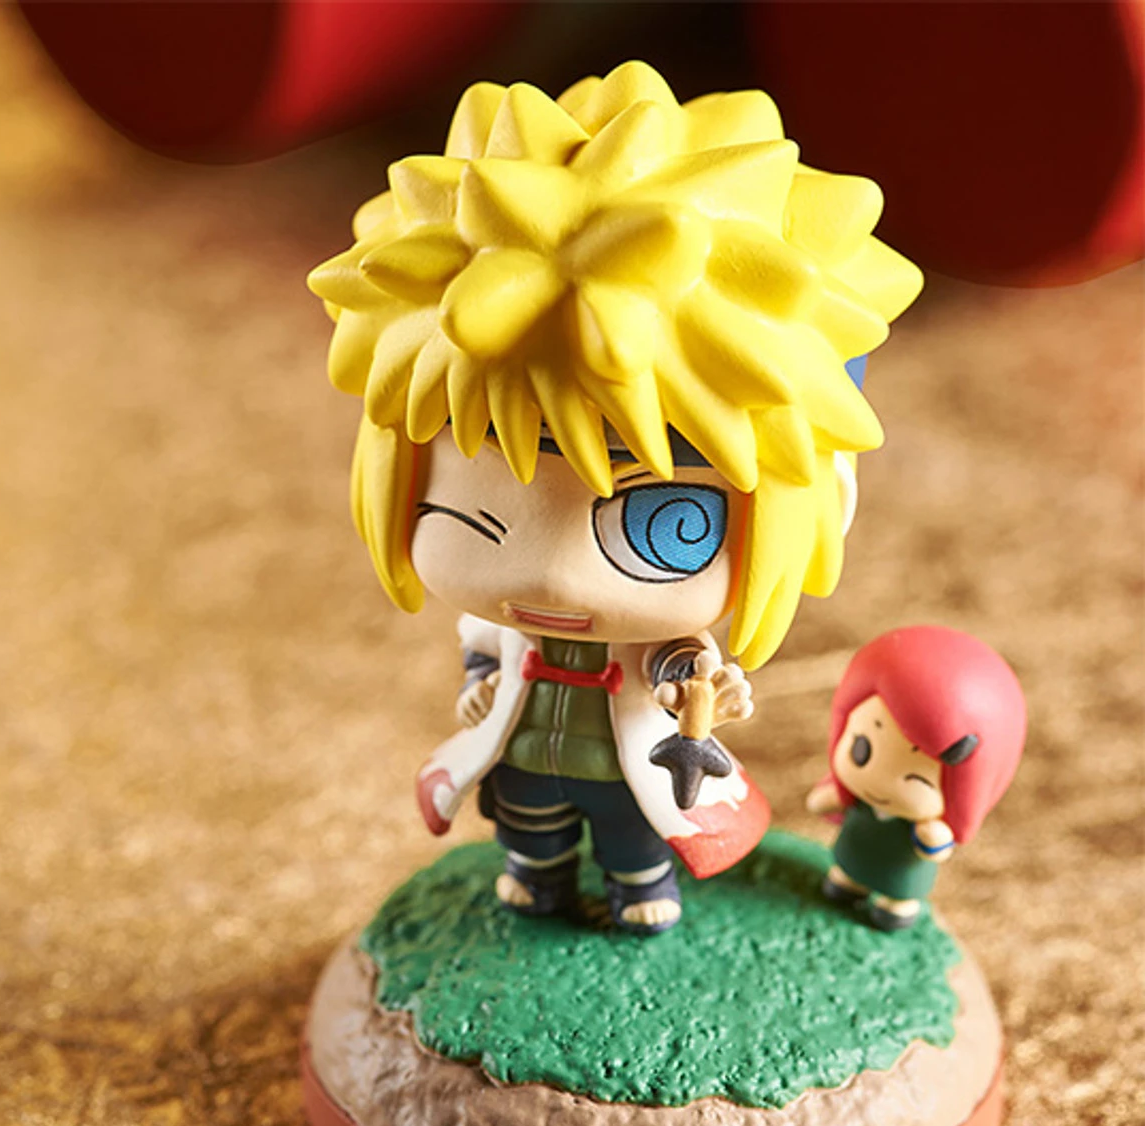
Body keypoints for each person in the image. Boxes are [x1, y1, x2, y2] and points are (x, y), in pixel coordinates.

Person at [308, 61, 922, 932]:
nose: (557, 577)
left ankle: (639, 887)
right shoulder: (504, 624)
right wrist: (483, 679)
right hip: (524, 750)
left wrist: (702, 690)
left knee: (632, 834)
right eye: (480, 517)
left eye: (664, 525)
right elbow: (485, 650)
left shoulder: (666, 644)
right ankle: (539, 877)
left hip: (631, 762)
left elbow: (686, 675)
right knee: (527, 821)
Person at [808, 627, 1027, 930]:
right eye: (861, 750)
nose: (882, 783)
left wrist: (934, 839)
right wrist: (830, 798)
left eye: (914, 778)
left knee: (896, 900)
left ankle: (896, 905)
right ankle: (849, 882)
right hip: (855, 849)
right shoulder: (861, 800)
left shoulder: (924, 825)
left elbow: (937, 848)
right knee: (845, 877)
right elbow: (820, 803)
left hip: (902, 871)